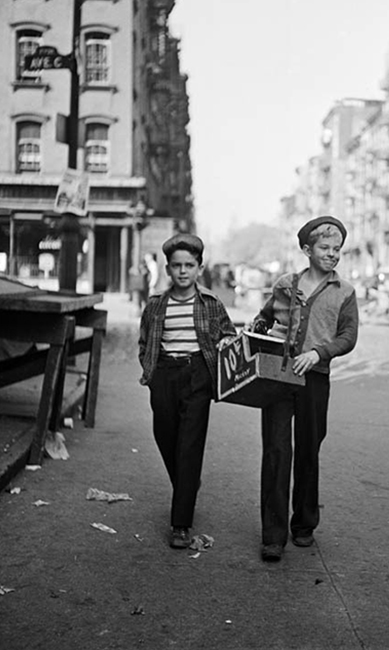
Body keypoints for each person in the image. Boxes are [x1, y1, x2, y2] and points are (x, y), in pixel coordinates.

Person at [251, 216, 359, 562]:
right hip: (279, 377)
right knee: (277, 451)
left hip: (315, 378)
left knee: (309, 449)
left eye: (337, 249)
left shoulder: (345, 292)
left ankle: (304, 525)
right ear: (306, 250)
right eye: (325, 248)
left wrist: (318, 353)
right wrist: (258, 332)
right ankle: (273, 534)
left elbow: (348, 337)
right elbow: (265, 318)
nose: (332, 255)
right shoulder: (285, 285)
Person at [138, 233, 236, 549]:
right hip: (164, 375)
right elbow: (144, 343)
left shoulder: (210, 303)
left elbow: (229, 336)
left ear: (199, 268)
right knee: (165, 436)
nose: (183, 271)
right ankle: (188, 483)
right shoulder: (155, 306)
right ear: (167, 269)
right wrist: (152, 372)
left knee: (190, 445)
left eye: (189, 265)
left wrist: (223, 345)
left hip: (198, 376)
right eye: (177, 265)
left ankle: (181, 524)